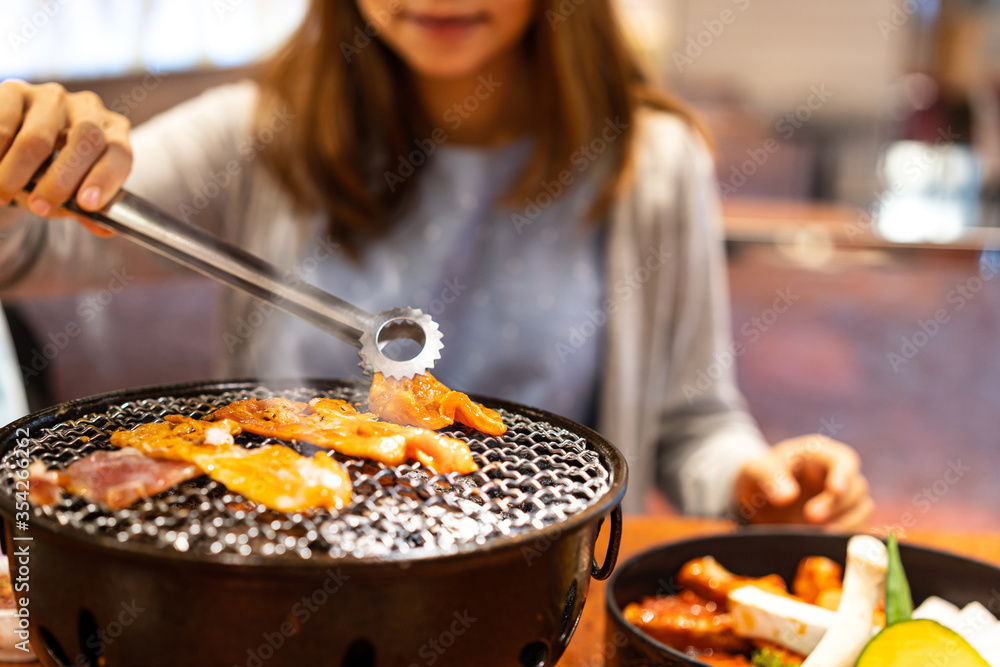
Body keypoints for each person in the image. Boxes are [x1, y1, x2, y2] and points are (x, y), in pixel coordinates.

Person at [0, 0, 872, 527]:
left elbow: (693, 422)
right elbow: (31, 248)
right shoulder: (258, 133)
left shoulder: (653, 160)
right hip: (286, 586)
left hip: (545, 596)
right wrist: (23, 157)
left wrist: (754, 481)